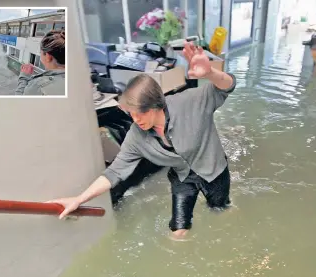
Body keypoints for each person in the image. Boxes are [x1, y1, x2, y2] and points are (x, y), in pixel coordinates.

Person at [48, 42, 236, 239]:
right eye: (132, 114)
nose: (136, 120)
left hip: (214, 170)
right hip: (183, 178)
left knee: (220, 210)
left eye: (141, 113)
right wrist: (79, 199)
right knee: (178, 232)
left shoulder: (189, 102)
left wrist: (211, 73)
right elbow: (114, 172)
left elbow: (227, 86)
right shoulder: (137, 135)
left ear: (157, 105)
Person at [15, 30, 65, 96]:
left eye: (40, 52)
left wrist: (24, 77)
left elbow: (19, 103)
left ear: (48, 57)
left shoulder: (39, 86)